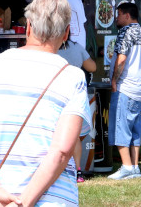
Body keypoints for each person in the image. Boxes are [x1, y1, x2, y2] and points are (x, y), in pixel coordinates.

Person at [0, 0, 91, 207]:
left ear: (28, 27)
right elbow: (62, 150)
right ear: (66, 33)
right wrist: (25, 201)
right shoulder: (72, 77)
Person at [108, 1, 141, 180]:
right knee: (134, 129)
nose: (116, 18)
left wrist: (114, 79)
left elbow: (122, 59)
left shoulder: (125, 31)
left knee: (121, 127)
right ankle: (135, 168)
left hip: (127, 86)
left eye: (118, 15)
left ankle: (126, 167)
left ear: (126, 15)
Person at [57, 39, 97, 183]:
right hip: (75, 96)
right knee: (74, 135)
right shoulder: (76, 47)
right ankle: (77, 171)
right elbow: (92, 67)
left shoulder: (50, 49)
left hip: (56, 96)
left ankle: (58, 170)